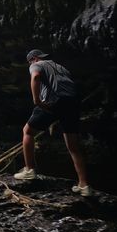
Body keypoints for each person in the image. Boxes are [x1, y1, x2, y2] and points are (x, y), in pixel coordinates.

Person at [14, 49, 91, 196]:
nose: (30, 64)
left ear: (34, 59)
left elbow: (35, 77)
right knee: (73, 146)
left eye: (30, 61)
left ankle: (29, 170)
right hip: (73, 103)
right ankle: (84, 185)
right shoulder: (62, 68)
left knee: (28, 131)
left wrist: (37, 100)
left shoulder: (37, 64)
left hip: (54, 101)